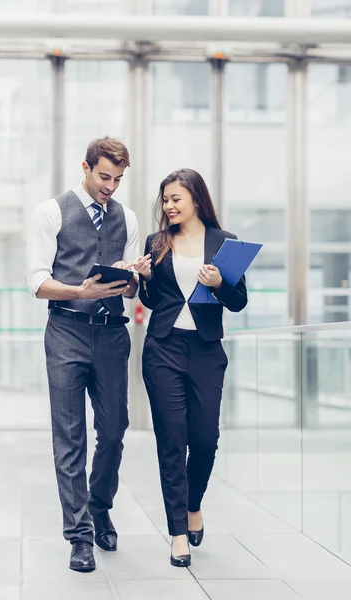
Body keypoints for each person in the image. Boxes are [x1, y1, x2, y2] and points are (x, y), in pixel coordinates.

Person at [26, 137, 139, 573]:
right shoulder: (51, 212)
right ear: (86, 168)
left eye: (118, 179)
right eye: (104, 176)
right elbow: (37, 281)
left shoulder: (125, 218)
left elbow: (128, 286)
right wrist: (79, 290)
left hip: (112, 335)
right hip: (66, 331)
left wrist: (134, 277)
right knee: (69, 436)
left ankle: (100, 506)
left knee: (113, 431)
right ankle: (79, 536)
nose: (110, 186)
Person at [135, 168, 247, 567]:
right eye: (164, 200)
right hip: (162, 348)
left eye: (175, 199)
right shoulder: (157, 241)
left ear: (196, 199)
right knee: (171, 441)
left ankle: (193, 503)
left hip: (205, 351)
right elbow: (152, 301)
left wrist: (219, 284)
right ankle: (178, 532)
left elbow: (238, 303)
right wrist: (145, 279)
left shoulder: (225, 243)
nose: (168, 206)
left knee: (203, 440)